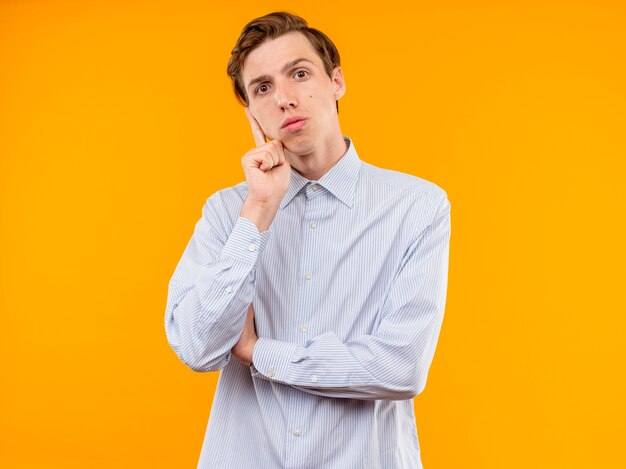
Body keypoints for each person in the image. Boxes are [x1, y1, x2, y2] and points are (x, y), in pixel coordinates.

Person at [164, 11, 451, 469]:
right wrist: (257, 211)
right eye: (262, 88)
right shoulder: (227, 213)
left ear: (336, 81)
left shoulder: (416, 206)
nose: (284, 99)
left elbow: (402, 367)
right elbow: (198, 348)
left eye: (299, 74)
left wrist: (260, 353)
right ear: (251, 111)